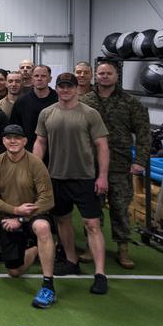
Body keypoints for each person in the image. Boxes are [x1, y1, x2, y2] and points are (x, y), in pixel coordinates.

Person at [34, 72, 110, 294]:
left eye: (69, 86)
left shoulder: (90, 114)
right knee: (63, 221)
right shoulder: (47, 113)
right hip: (56, 177)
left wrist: (102, 176)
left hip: (85, 178)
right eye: (61, 86)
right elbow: (40, 143)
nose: (65, 90)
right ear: (56, 88)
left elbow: (102, 146)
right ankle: (71, 262)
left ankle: (100, 273)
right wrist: (37, 172)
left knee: (92, 225)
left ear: (77, 88)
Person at [81, 60, 150, 269]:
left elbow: (144, 133)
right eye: (101, 73)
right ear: (96, 76)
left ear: (116, 76)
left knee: (120, 208)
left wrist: (140, 161)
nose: (104, 76)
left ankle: (123, 248)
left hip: (120, 164)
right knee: (93, 208)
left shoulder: (131, 102)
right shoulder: (85, 101)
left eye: (108, 73)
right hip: (90, 164)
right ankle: (90, 245)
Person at [0, 125, 57, 308]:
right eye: (8, 137)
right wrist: (15, 211)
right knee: (14, 271)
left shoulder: (35, 163)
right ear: (3, 141)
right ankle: (34, 250)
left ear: (25, 141)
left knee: (42, 227)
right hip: (9, 217)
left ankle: (48, 286)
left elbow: (47, 199)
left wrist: (22, 217)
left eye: (17, 138)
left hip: (33, 214)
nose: (13, 141)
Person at [9, 64, 57, 151]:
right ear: (32, 79)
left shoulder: (58, 99)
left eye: (43, 76)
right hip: (28, 151)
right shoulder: (21, 101)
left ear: (50, 79)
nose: (39, 78)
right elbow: (15, 128)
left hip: (55, 150)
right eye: (36, 76)